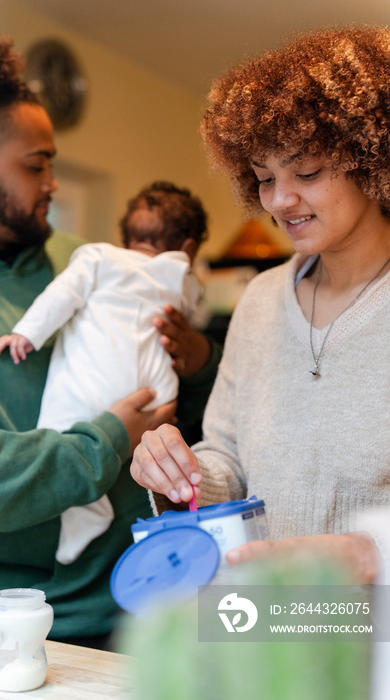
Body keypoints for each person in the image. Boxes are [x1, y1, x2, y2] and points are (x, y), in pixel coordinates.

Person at [0, 28, 222, 647]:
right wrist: (106, 442)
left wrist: (196, 365)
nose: (54, 182)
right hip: (13, 630)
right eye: (36, 165)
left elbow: (186, 415)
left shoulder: (85, 260)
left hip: (146, 605)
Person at [130, 26, 390, 585]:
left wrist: (371, 554)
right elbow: (227, 457)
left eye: (309, 171)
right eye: (265, 178)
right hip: (263, 627)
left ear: (373, 154)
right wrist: (180, 471)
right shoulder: (261, 299)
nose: (280, 200)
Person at [0, 181, 208, 566]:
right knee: (156, 443)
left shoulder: (99, 257)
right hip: (154, 394)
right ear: (188, 247)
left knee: (58, 437)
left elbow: (63, 295)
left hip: (94, 381)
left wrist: (27, 332)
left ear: (125, 236)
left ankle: (87, 511)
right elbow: (194, 317)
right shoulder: (181, 276)